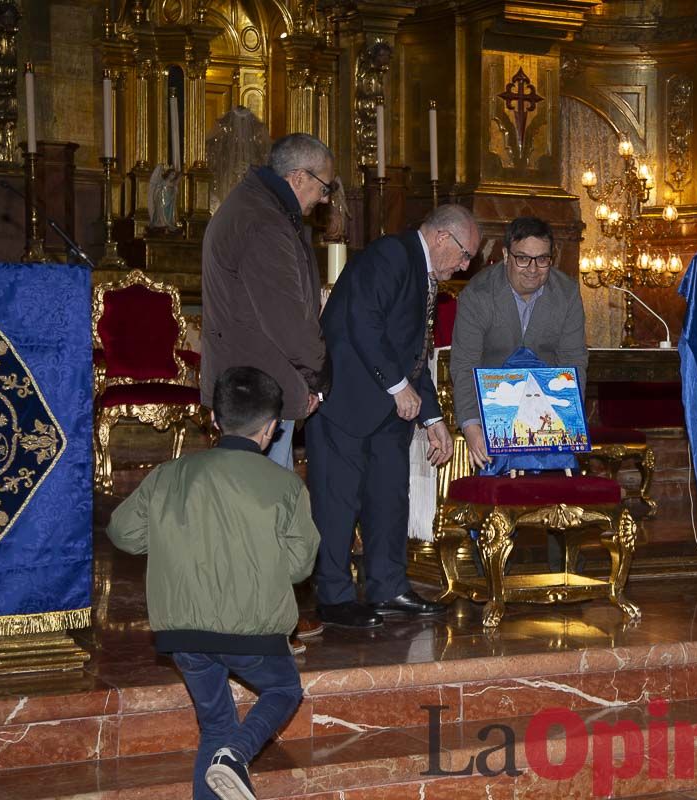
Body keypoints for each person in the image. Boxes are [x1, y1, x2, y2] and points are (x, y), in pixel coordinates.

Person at [106, 367, 320, 800]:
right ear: (271, 430)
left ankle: (225, 757)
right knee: (282, 688)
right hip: (253, 630)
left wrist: (172, 539)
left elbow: (123, 532)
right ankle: (236, 756)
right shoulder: (284, 485)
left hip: (182, 632)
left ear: (216, 421)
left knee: (217, 725)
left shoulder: (167, 474)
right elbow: (300, 566)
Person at [306, 204, 479, 628]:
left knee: (389, 498)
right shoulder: (390, 254)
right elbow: (362, 321)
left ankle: (388, 587)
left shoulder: (422, 272)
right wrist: (397, 387)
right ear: (442, 237)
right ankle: (333, 596)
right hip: (345, 403)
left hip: (387, 408)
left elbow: (415, 353)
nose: (464, 265)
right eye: (463, 255)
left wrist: (433, 418)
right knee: (337, 502)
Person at [201, 132, 334, 473]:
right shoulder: (264, 221)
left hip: (250, 382)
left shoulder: (255, 206)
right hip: (259, 388)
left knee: (256, 495)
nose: (324, 200)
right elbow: (287, 321)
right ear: (299, 177)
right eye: (324, 188)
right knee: (265, 499)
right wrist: (317, 378)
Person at [450, 216, 589, 471]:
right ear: (505, 255)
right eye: (523, 258)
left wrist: (567, 423)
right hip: (492, 417)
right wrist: (471, 427)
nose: (533, 269)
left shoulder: (567, 294)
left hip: (549, 419)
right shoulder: (478, 294)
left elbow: (574, 362)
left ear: (552, 257)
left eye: (543, 259)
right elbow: (464, 364)